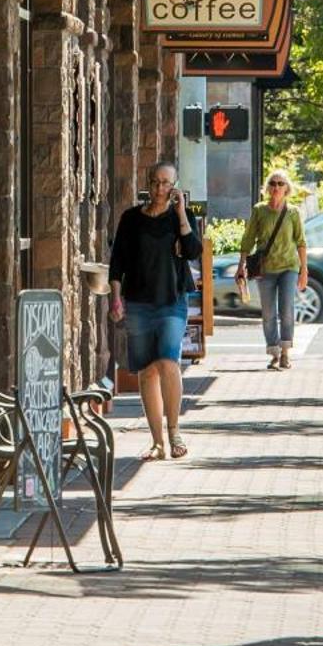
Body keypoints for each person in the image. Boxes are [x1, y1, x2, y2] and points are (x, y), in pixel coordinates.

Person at [107, 162, 203, 460]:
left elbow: (193, 251)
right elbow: (117, 261)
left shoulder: (179, 218)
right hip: (137, 302)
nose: (160, 189)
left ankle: (174, 432)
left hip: (171, 300)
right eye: (156, 182)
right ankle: (157, 442)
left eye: (166, 183)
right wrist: (116, 298)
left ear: (174, 186)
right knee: (147, 370)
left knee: (168, 362)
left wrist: (182, 212)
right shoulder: (131, 219)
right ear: (148, 183)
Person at [234, 171, 308, 370]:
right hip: (265, 269)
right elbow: (248, 238)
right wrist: (241, 265)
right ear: (268, 187)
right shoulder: (259, 210)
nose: (276, 187)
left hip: (288, 268)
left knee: (286, 309)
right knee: (268, 313)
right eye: (273, 183)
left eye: (280, 183)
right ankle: (274, 353)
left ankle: (285, 353)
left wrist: (304, 271)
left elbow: (301, 242)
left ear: (286, 188)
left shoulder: (293, 212)